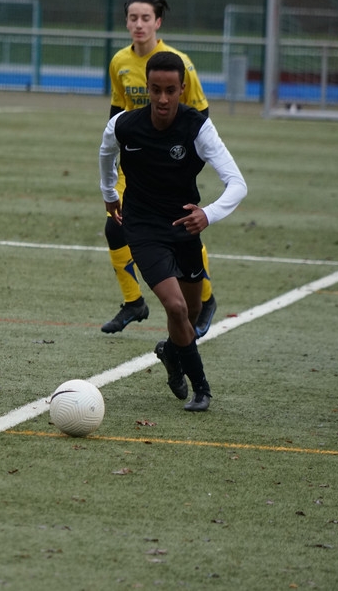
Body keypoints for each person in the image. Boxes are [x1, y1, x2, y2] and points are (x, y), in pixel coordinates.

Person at [99, 51, 247, 411]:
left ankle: (171, 352)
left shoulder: (197, 127)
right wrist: (109, 194)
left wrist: (207, 215)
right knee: (177, 307)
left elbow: (237, 184)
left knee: (192, 311)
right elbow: (106, 153)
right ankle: (201, 389)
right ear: (147, 88)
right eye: (155, 90)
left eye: (170, 90)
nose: (162, 99)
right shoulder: (123, 125)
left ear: (182, 89)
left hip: (183, 226)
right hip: (142, 226)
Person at [101, 0, 219, 338]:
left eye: (145, 18)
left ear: (158, 22)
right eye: (132, 18)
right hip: (135, 162)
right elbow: (117, 112)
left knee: (182, 229)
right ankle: (133, 302)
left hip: (171, 163)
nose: (138, 24)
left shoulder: (179, 63)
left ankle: (206, 298)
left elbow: (201, 115)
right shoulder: (119, 62)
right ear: (126, 22)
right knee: (115, 226)